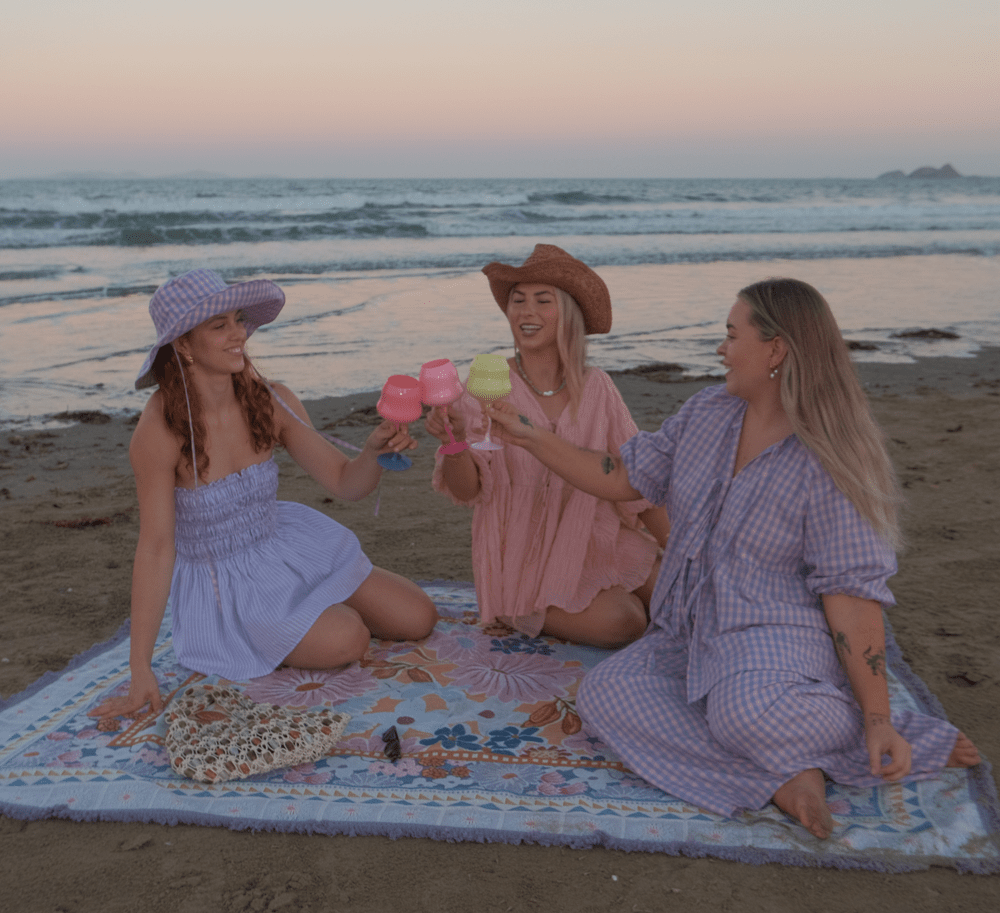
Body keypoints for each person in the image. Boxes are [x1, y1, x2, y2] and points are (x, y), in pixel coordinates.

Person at [487, 277, 980, 839]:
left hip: (774, 637)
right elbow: (621, 475)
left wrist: (878, 717)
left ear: (776, 350)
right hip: (690, 630)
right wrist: (531, 435)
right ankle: (783, 776)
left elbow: (851, 598)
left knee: (742, 711)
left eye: (731, 335)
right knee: (606, 695)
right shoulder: (707, 412)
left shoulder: (829, 459)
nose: (721, 349)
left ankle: (885, 734)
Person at [93, 269, 436, 720]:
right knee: (348, 637)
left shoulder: (271, 399)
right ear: (184, 345)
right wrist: (140, 666)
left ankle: (312, 608)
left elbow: (345, 482)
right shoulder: (160, 430)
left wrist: (373, 452)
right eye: (220, 326)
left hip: (284, 548)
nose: (239, 334)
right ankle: (309, 618)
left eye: (238, 320)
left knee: (419, 617)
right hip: (228, 587)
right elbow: (156, 548)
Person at [427, 244, 667, 650]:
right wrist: (453, 442)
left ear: (568, 314)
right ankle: (514, 608)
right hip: (525, 559)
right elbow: (467, 491)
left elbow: (638, 477)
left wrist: (680, 548)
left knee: (682, 596)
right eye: (518, 301)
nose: (526, 312)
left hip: (594, 539)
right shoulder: (485, 385)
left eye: (542, 300)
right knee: (626, 623)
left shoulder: (598, 386)